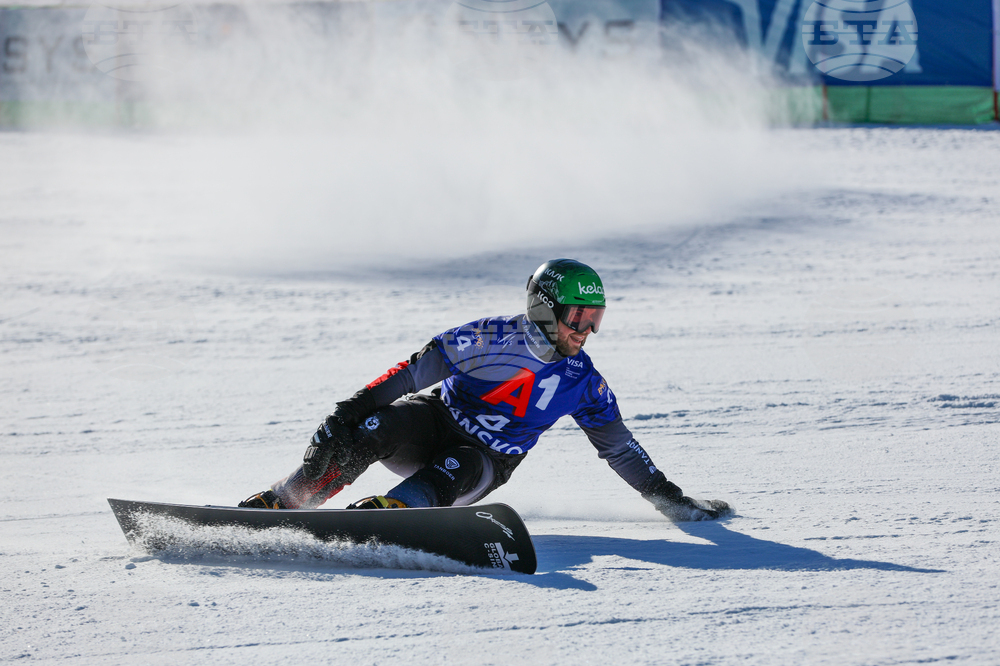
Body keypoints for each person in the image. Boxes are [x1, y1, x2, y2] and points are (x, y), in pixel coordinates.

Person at [240, 259, 731, 521]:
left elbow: (621, 449)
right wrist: (345, 414)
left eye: (594, 320)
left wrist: (672, 500)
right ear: (544, 309)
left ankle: (392, 514)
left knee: (457, 466)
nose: (585, 332)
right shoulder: (489, 337)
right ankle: (286, 500)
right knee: (373, 427)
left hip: (484, 462)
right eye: (577, 318)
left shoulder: (584, 382)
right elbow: (411, 375)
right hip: (432, 423)